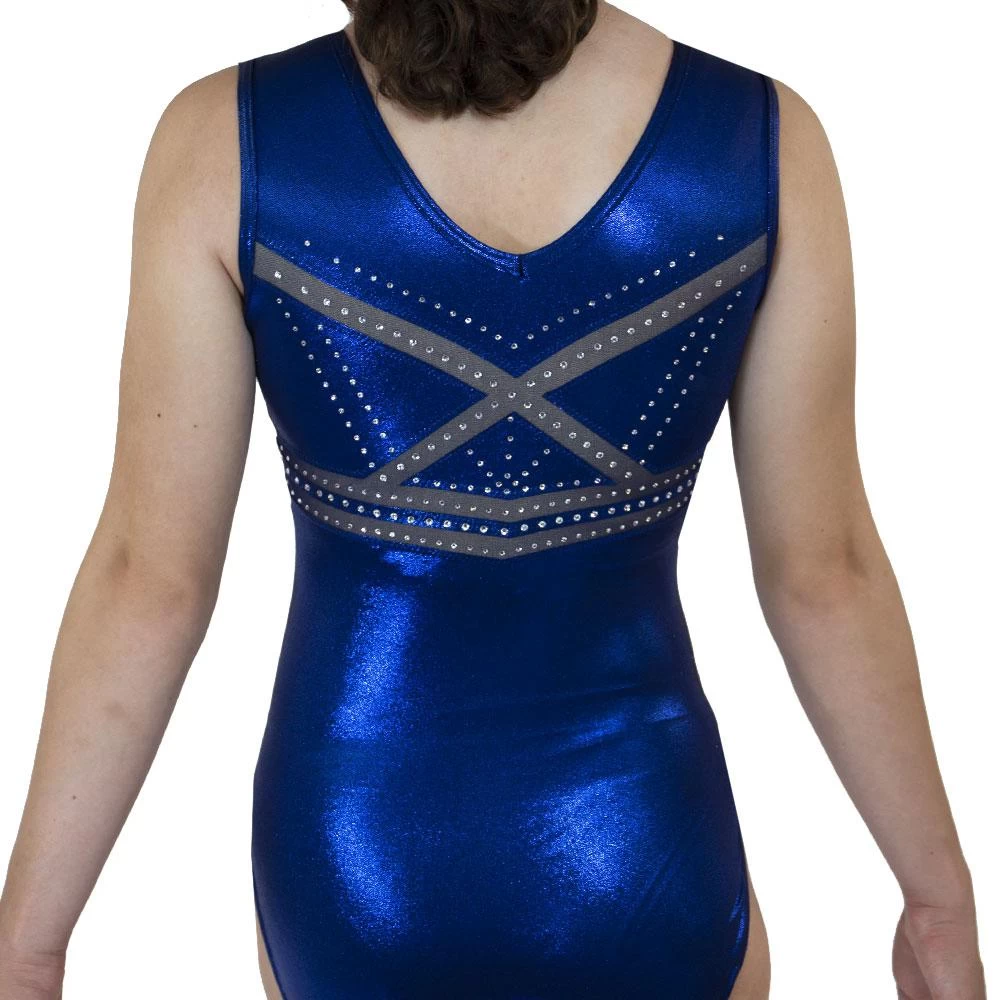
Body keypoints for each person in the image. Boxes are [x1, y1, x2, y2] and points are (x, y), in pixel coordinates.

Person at [0, 1, 987, 998]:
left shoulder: (224, 141)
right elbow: (824, 577)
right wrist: (937, 903)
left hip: (357, 857)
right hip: (645, 842)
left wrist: (30, 949)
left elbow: (151, 582)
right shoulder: (760, 143)